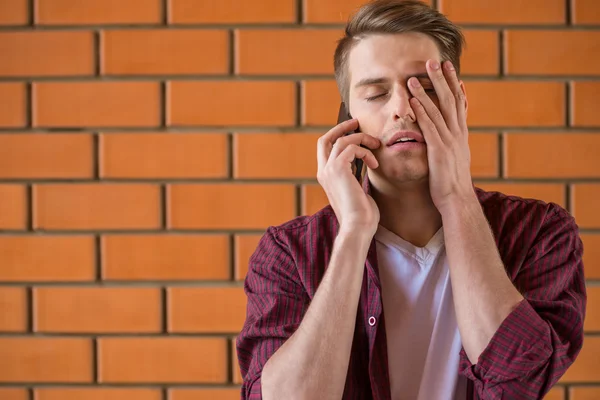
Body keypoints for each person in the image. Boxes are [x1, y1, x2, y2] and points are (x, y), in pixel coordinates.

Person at [235, 0, 587, 399]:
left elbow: (518, 379)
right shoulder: (289, 253)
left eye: (425, 88)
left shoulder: (541, 233)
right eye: (376, 93)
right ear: (346, 119)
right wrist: (353, 232)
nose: (403, 109)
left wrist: (455, 196)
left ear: (459, 102)